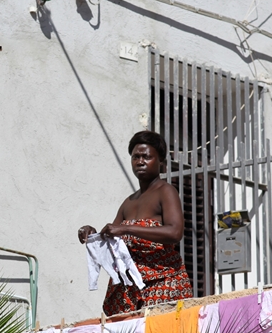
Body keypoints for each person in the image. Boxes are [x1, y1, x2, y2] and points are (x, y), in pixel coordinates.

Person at [78, 131, 193, 316]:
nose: (140, 161)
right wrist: (92, 235)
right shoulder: (128, 202)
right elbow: (113, 242)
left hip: (162, 284)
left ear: (161, 162)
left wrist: (127, 228)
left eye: (147, 157)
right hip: (130, 290)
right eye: (135, 157)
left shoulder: (166, 191)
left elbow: (175, 232)